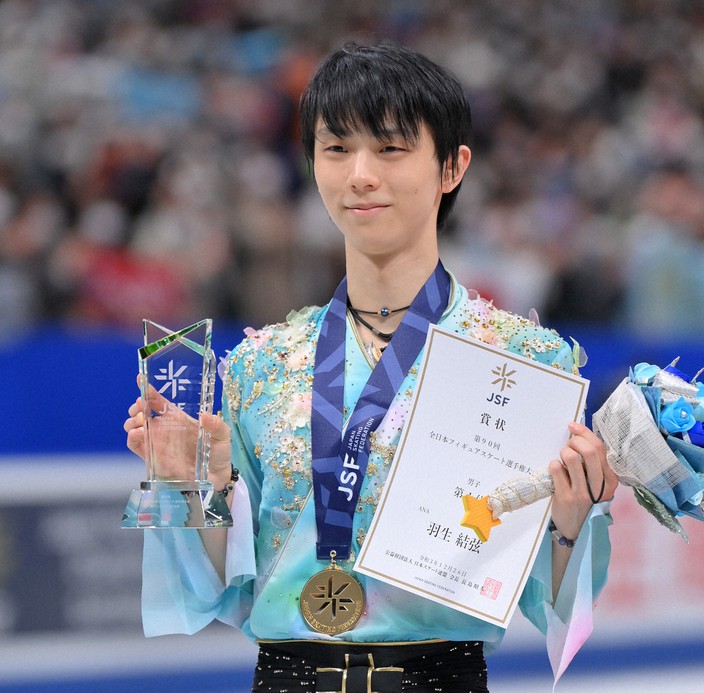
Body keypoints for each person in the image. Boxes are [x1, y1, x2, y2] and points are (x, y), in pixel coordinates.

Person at [124, 42, 618, 693]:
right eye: (336, 149)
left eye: (389, 149)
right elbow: (215, 590)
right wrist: (186, 487)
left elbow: (553, 600)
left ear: (452, 165)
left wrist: (576, 517)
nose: (359, 174)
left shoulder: (522, 363)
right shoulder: (258, 364)